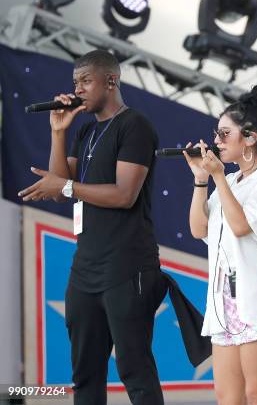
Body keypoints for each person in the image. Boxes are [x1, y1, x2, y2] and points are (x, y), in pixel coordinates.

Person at [18, 50, 166, 405]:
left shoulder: (136, 126)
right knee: (85, 374)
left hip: (128, 266)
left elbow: (124, 194)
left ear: (110, 81)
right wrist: (58, 132)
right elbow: (58, 188)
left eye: (86, 81)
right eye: (75, 83)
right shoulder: (85, 130)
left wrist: (66, 187)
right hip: (86, 267)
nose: (78, 89)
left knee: (136, 371)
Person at [184, 84, 257, 405]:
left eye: (223, 134)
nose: (216, 141)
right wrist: (201, 179)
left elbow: (242, 226)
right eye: (216, 134)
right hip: (224, 302)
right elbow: (198, 228)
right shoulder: (231, 181)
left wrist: (218, 177)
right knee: (228, 397)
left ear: (250, 138)